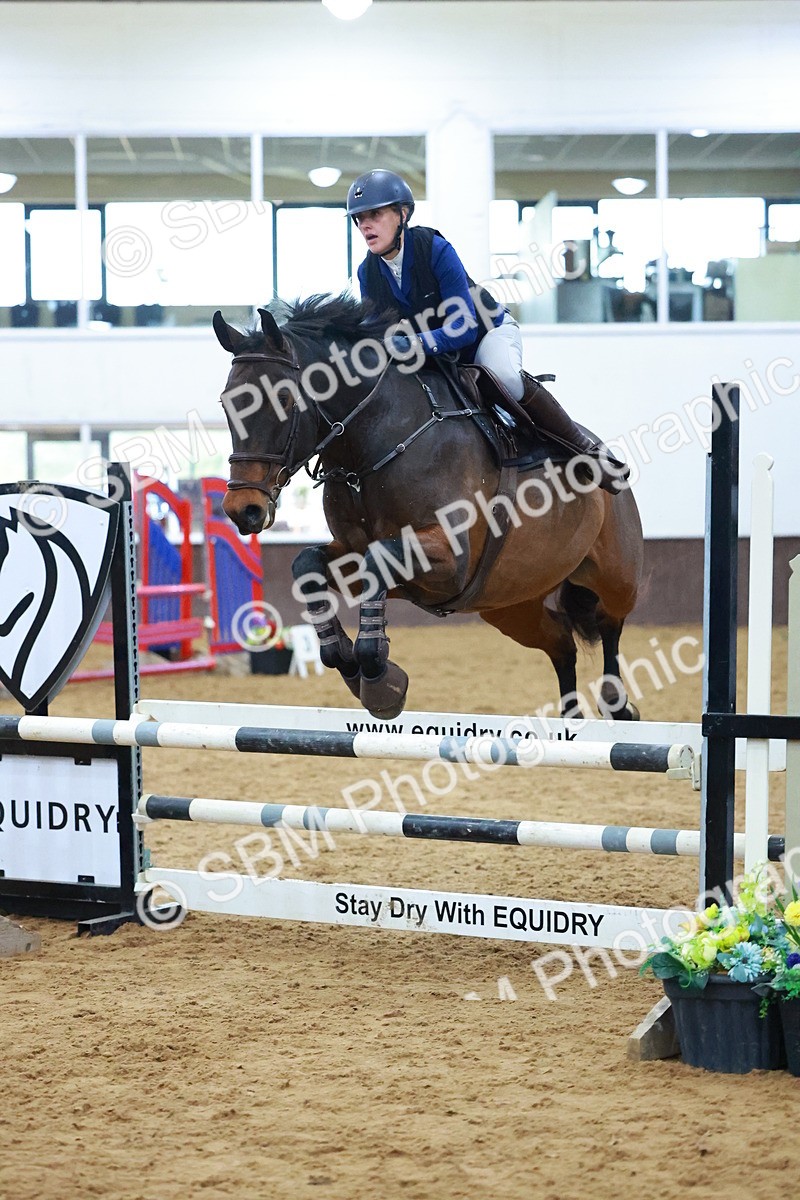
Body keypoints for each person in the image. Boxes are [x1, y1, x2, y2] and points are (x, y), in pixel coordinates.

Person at [347, 169, 628, 492]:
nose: (365, 224)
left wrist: (411, 342)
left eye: (375, 214)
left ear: (403, 213)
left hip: (485, 335)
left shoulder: (434, 248)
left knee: (504, 375)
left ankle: (587, 451)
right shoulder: (367, 272)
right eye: (359, 218)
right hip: (436, 357)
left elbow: (463, 329)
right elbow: (379, 333)